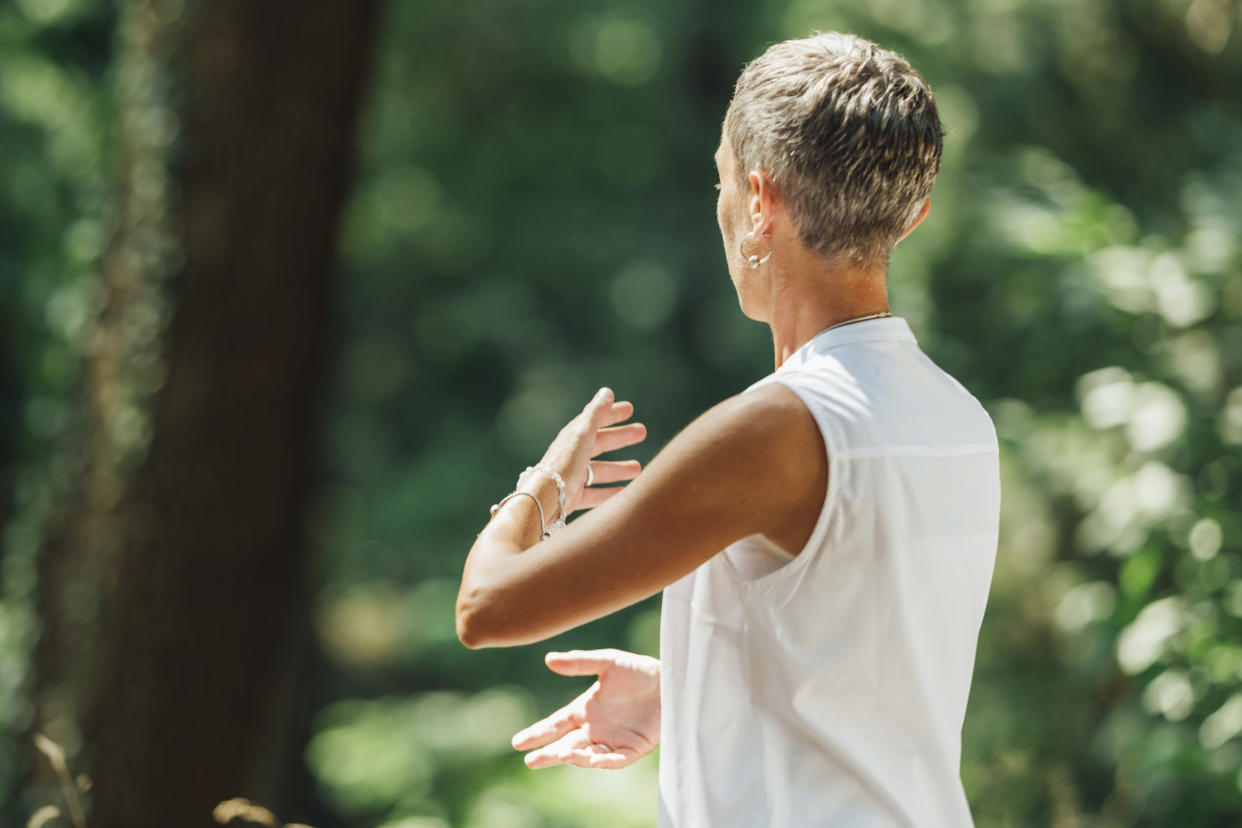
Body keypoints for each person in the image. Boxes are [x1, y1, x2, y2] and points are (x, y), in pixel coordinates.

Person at [456, 31, 1000, 827]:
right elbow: (868, 672)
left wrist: (545, 487)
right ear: (913, 217)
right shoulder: (960, 419)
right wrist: (687, 689)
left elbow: (486, 605)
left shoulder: (775, 428)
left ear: (758, 201)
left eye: (719, 181)